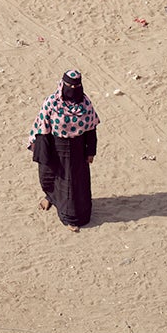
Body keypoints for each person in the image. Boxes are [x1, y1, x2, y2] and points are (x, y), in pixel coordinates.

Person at [27, 71, 99, 229]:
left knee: (72, 184)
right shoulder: (52, 102)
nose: (72, 89)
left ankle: (71, 218)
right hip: (54, 148)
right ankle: (50, 197)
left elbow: (91, 130)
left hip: (77, 151)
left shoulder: (85, 104)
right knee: (48, 176)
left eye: (76, 86)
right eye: (69, 86)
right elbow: (42, 125)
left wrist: (90, 151)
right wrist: (43, 152)